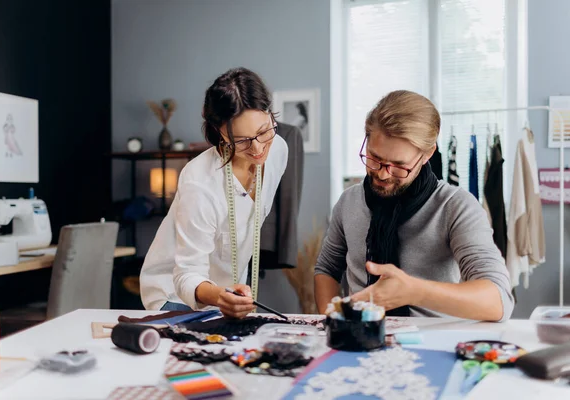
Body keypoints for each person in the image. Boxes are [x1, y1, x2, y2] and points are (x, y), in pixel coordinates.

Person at [314, 90, 514, 321]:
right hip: (359, 340)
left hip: (432, 346)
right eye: (374, 158)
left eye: (399, 165)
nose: (382, 173)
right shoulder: (348, 202)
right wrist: (331, 321)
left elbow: (498, 301)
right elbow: (327, 269)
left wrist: (413, 292)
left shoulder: (455, 207)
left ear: (427, 154)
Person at [140, 67, 288, 318]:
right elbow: (186, 274)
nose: (258, 148)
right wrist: (221, 297)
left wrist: (227, 296)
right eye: (241, 140)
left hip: (225, 296)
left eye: (263, 131)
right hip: (176, 297)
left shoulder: (278, 152)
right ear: (218, 132)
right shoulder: (200, 183)